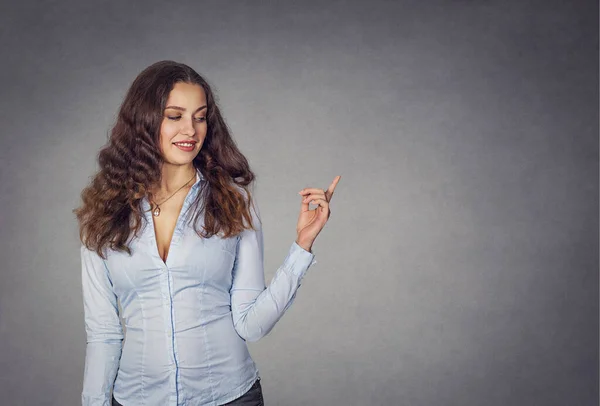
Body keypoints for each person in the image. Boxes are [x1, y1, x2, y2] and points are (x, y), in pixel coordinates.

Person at [73, 60, 340, 406]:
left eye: (200, 117)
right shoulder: (104, 211)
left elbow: (250, 325)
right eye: (175, 116)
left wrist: (302, 246)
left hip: (229, 396)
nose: (191, 130)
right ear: (144, 121)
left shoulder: (232, 201)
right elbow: (104, 334)